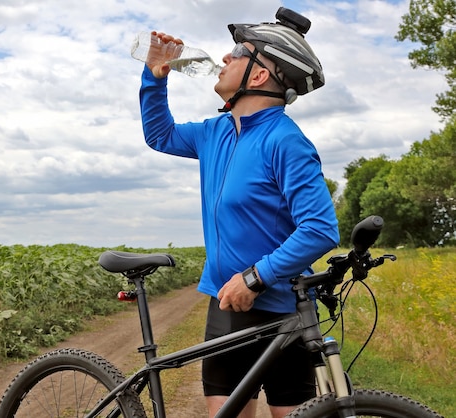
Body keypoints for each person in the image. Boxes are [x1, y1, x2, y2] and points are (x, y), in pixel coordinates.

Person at [138, 8, 340, 418]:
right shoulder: (215, 133)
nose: (224, 59)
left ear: (261, 75)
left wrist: (255, 277)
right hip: (225, 307)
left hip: (282, 310)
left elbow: (319, 228)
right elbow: (159, 135)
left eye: (238, 52)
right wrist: (155, 77)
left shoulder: (286, 141)